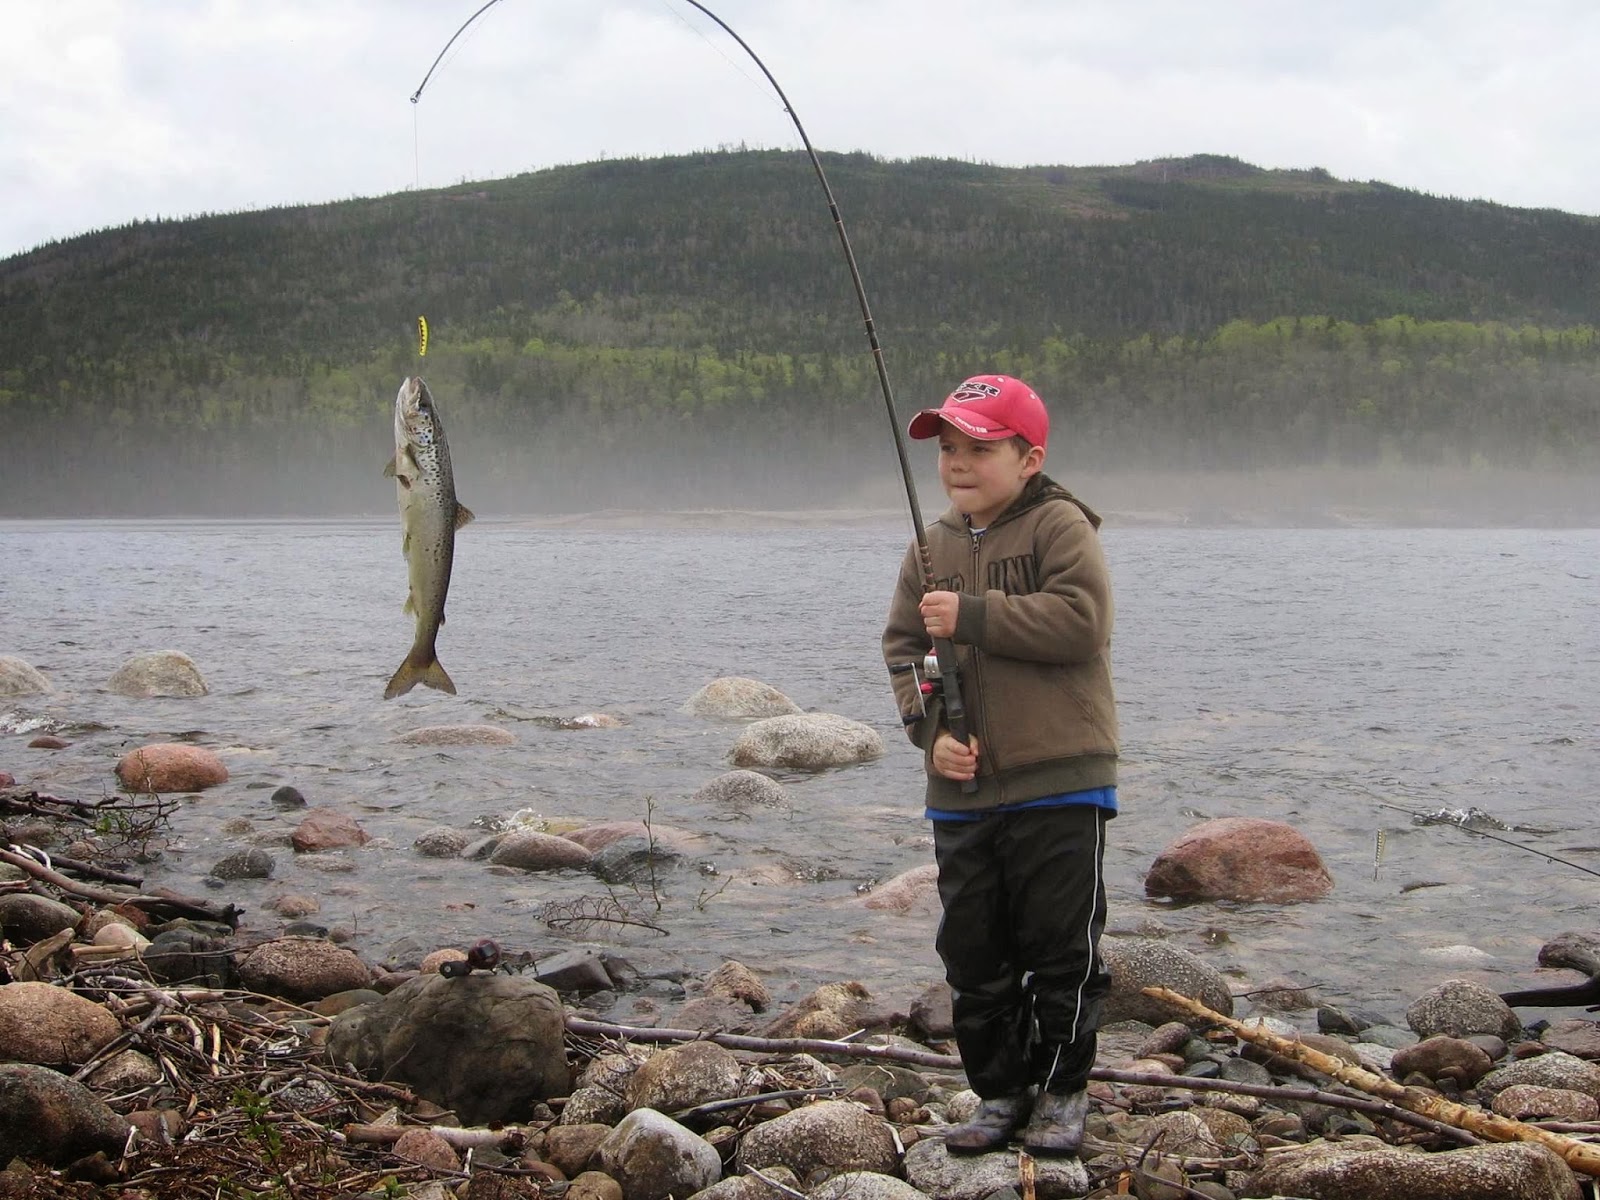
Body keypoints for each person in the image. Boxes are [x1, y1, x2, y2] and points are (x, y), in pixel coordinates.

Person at [881, 374, 1118, 1156]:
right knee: (973, 954)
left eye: (980, 448)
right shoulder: (929, 548)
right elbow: (905, 650)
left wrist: (973, 615)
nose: (957, 463)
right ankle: (1000, 1094)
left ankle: (1062, 1092)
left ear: (1029, 458)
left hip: (1062, 781)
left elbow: (1082, 622)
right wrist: (932, 735)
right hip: (962, 793)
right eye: (948, 448)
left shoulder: (1061, 525)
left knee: (1062, 950)